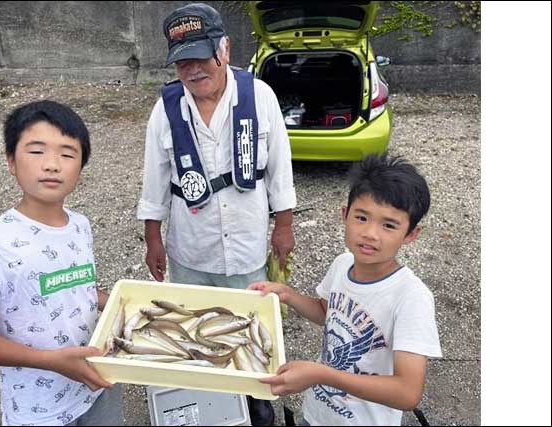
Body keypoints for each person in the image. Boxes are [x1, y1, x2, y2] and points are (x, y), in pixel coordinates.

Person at [136, 3, 296, 424]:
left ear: (223, 49)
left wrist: (284, 227)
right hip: (191, 247)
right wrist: (153, 237)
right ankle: (212, 409)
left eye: (199, 57)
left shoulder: (259, 95)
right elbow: (155, 177)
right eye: (181, 62)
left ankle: (259, 406)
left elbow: (280, 167)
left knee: (250, 331)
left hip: (246, 245)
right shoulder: (167, 108)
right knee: (197, 330)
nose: (191, 71)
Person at [0, 100, 123, 426]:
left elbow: (75, 284)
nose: (52, 164)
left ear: (81, 166)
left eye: (68, 154)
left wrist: (115, 301)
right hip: (37, 409)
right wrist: (51, 361)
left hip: (98, 384)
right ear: (11, 161)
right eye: (37, 151)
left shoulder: (80, 225)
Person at [249, 153, 442, 426]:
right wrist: (287, 294)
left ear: (411, 234)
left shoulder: (411, 298)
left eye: (389, 225)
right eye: (362, 218)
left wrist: (322, 375)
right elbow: (327, 313)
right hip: (318, 414)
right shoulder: (342, 264)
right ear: (345, 214)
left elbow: (408, 392)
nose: (370, 233)